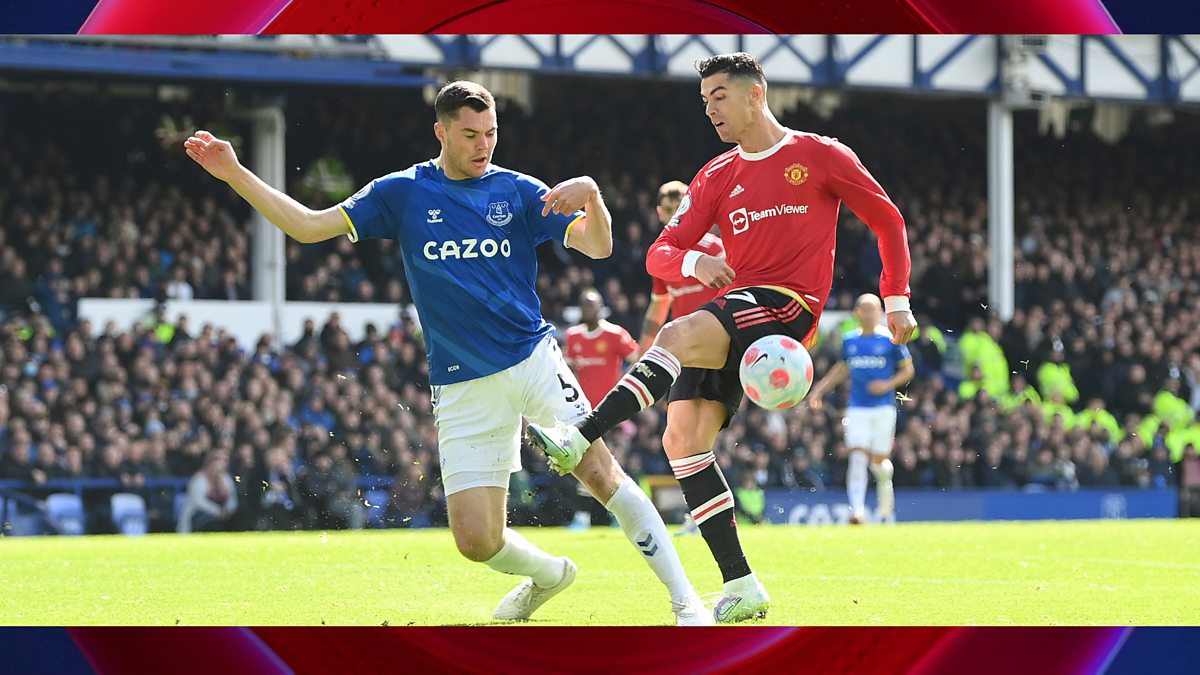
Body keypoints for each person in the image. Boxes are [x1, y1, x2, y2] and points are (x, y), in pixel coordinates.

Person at [184, 80, 708, 624]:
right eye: (470, 135)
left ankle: (685, 601)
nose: (484, 145)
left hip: (531, 359)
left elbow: (599, 245)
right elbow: (308, 226)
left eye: (491, 133)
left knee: (599, 472)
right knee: (477, 541)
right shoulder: (403, 191)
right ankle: (550, 575)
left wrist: (592, 195)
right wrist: (235, 173)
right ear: (441, 132)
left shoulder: (518, 191)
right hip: (460, 383)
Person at [527, 52, 917, 623]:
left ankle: (579, 436)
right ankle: (742, 584)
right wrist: (695, 264)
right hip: (737, 308)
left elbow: (888, 220)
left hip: (790, 307)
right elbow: (660, 253)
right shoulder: (716, 174)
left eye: (719, 96)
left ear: (756, 94)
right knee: (682, 442)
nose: (710, 109)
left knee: (676, 333)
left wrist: (896, 298)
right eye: (704, 100)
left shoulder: (820, 154)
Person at [808, 294, 914, 524]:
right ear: (857, 313)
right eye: (864, 309)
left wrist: (886, 384)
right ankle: (857, 511)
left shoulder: (890, 340)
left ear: (880, 312)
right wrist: (819, 391)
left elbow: (908, 370)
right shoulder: (850, 341)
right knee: (857, 456)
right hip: (857, 407)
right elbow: (842, 368)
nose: (868, 314)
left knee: (878, 463)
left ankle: (885, 487)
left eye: (872, 309)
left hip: (883, 407)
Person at [563, 288, 639, 529]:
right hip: (582, 411)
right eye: (585, 304)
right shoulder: (573, 336)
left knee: (614, 461)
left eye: (592, 304)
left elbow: (637, 359)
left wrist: (627, 390)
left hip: (610, 410)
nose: (589, 309)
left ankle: (617, 513)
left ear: (601, 307)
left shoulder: (615, 334)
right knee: (583, 461)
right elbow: (567, 368)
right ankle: (584, 515)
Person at [177, 449, 238, 534]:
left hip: (222, 513)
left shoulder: (226, 478)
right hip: (200, 513)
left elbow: (232, 498)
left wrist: (228, 510)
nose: (221, 463)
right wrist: (218, 512)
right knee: (213, 524)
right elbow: (198, 502)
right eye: (218, 459)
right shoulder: (199, 478)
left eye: (225, 460)